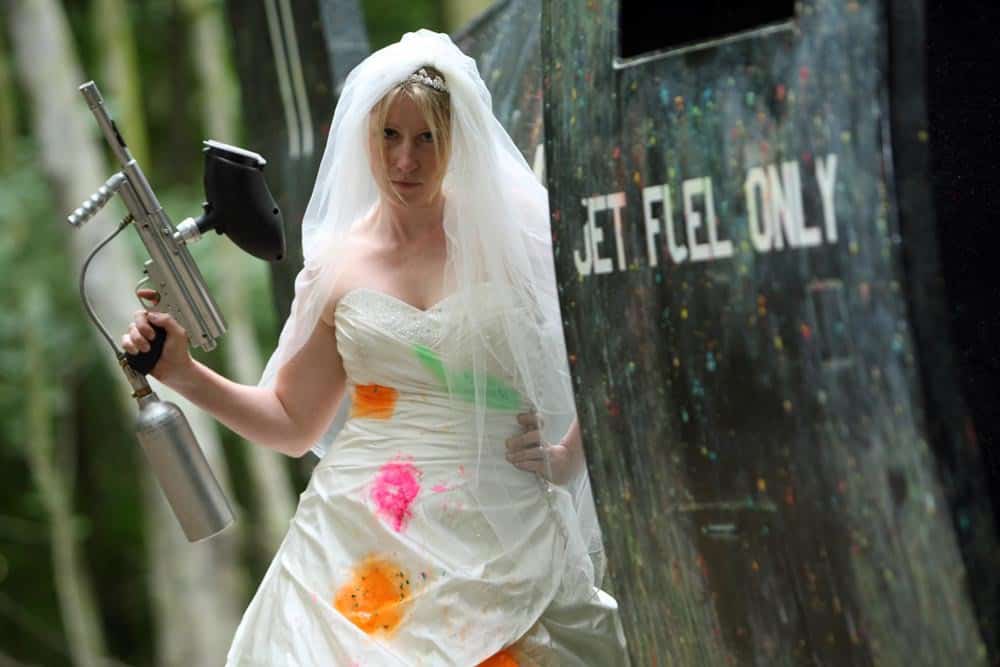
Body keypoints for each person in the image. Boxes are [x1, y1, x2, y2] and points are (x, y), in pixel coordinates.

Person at [122, 30, 628, 666]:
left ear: (457, 139)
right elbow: (291, 421)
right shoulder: (338, 265)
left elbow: (613, 345)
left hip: (504, 529)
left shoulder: (514, 237)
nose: (405, 162)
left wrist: (567, 458)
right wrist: (185, 373)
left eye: (426, 138)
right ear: (365, 136)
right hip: (358, 532)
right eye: (389, 135)